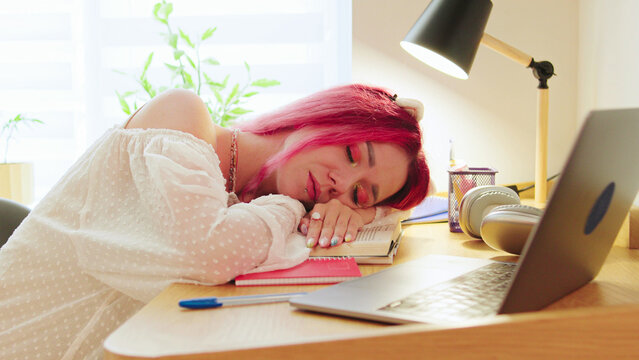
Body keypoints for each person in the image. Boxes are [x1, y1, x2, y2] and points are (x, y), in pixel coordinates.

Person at [0, 83, 430, 359]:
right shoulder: (181, 115)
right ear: (323, 118)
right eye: (353, 154)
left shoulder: (254, 202)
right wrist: (293, 206)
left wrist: (364, 211)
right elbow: (208, 252)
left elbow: (397, 212)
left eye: (360, 191)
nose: (342, 183)